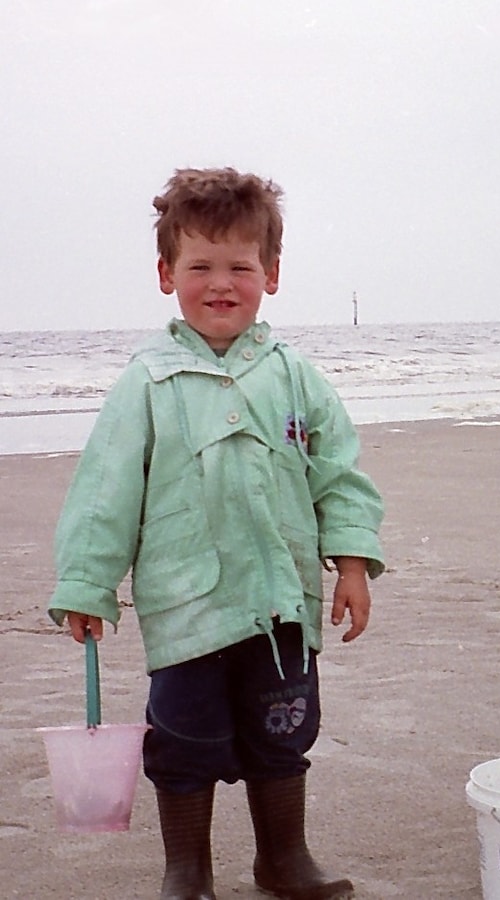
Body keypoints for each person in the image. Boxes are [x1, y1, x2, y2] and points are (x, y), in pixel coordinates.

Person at [49, 167, 384, 900]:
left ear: (271, 272)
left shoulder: (295, 375)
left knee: (281, 734)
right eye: (200, 266)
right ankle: (187, 872)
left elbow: (339, 471)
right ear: (167, 273)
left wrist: (352, 561)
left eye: (240, 266)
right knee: (183, 742)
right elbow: (106, 490)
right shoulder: (147, 380)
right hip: (186, 606)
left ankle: (283, 860)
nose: (221, 283)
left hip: (279, 605)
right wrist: (87, 583)